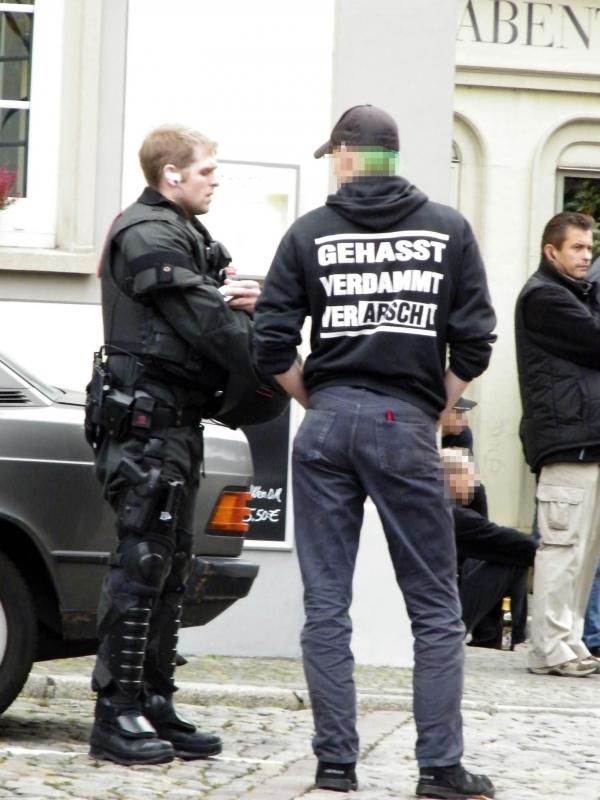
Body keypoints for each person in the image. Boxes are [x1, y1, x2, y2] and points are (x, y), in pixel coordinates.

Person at [254, 105, 497, 799]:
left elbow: (270, 344)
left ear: (349, 156)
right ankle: (440, 769)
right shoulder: (448, 230)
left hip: (327, 424)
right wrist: (431, 407)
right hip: (406, 422)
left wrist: (319, 402)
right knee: (433, 604)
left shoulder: (309, 233)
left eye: (334, 154)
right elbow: (475, 339)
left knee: (326, 601)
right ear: (393, 156)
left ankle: (335, 764)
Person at [86, 124, 261, 765]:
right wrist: (263, 329)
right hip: (144, 427)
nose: (215, 180)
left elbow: (225, 291)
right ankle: (115, 713)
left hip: (175, 423)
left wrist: (255, 300)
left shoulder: (187, 233)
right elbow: (210, 322)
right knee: (143, 563)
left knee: (172, 565)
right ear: (172, 176)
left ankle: (154, 701)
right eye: (207, 170)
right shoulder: (148, 233)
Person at [515, 211, 600, 678]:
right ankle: (548, 646)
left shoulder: (577, 294)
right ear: (552, 252)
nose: (586, 257)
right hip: (568, 442)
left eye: (590, 248)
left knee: (584, 553)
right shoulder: (544, 297)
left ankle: (569, 639)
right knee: (562, 547)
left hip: (588, 440)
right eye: (577, 249)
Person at [441, 398, 537, 647]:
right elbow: (492, 536)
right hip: (443, 608)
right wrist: (554, 554)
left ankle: (494, 633)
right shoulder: (451, 514)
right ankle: (502, 635)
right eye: (458, 413)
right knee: (511, 555)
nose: (477, 481)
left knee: (498, 552)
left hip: (456, 571)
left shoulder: (461, 441)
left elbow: (483, 531)